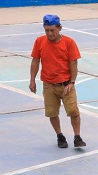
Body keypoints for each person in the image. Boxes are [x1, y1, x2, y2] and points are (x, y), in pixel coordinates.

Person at [29, 14, 86, 149]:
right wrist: (32, 80)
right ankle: (59, 135)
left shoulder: (69, 43)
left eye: (52, 30)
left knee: (73, 111)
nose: (50, 33)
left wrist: (71, 82)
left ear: (59, 28)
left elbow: (73, 64)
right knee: (52, 112)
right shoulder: (39, 42)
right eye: (47, 30)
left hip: (66, 84)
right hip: (48, 85)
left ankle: (77, 136)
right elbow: (35, 61)